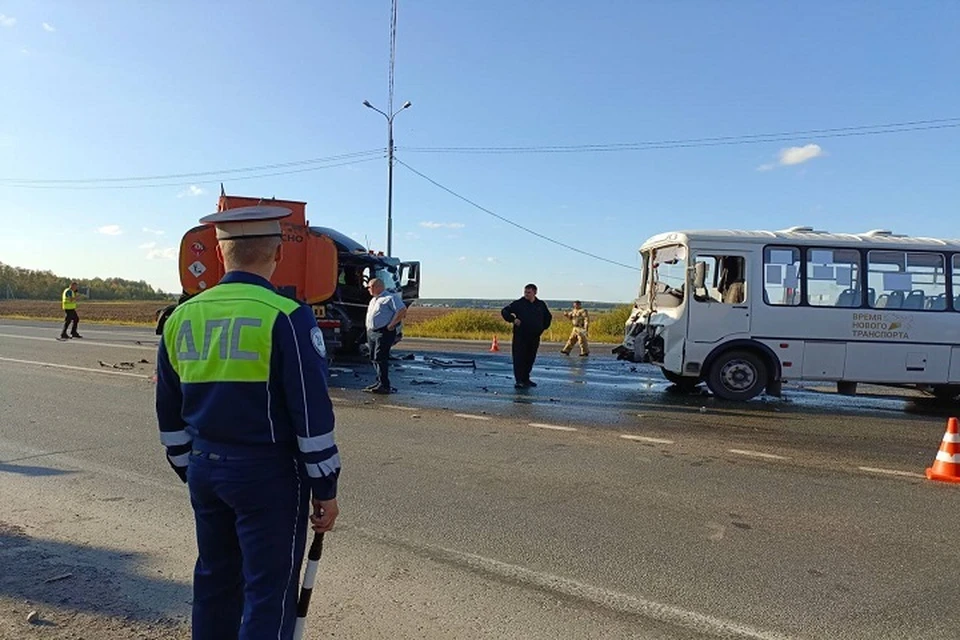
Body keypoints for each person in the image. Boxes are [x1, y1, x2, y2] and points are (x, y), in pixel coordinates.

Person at [155, 205, 340, 640]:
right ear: (277, 253)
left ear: (221, 255)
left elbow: (168, 413)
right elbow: (311, 417)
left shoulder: (181, 317)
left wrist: (192, 466)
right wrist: (325, 488)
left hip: (205, 470)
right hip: (267, 476)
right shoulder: (286, 315)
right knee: (268, 592)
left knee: (215, 581)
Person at [501, 283, 552, 389]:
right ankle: (519, 380)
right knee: (519, 358)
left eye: (529, 292)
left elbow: (548, 316)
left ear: (535, 292)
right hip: (521, 336)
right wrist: (513, 319)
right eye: (525, 292)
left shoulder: (540, 304)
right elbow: (504, 311)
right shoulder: (519, 303)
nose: (526, 294)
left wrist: (542, 327)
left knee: (530, 358)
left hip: (534, 337)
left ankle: (526, 379)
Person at [364, 277, 407, 394]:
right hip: (372, 332)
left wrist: (391, 325)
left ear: (378, 287)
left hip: (383, 332)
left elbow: (402, 310)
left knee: (380, 357)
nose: (368, 289)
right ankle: (379, 382)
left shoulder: (390, 297)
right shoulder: (374, 300)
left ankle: (385, 385)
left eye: (370, 287)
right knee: (373, 357)